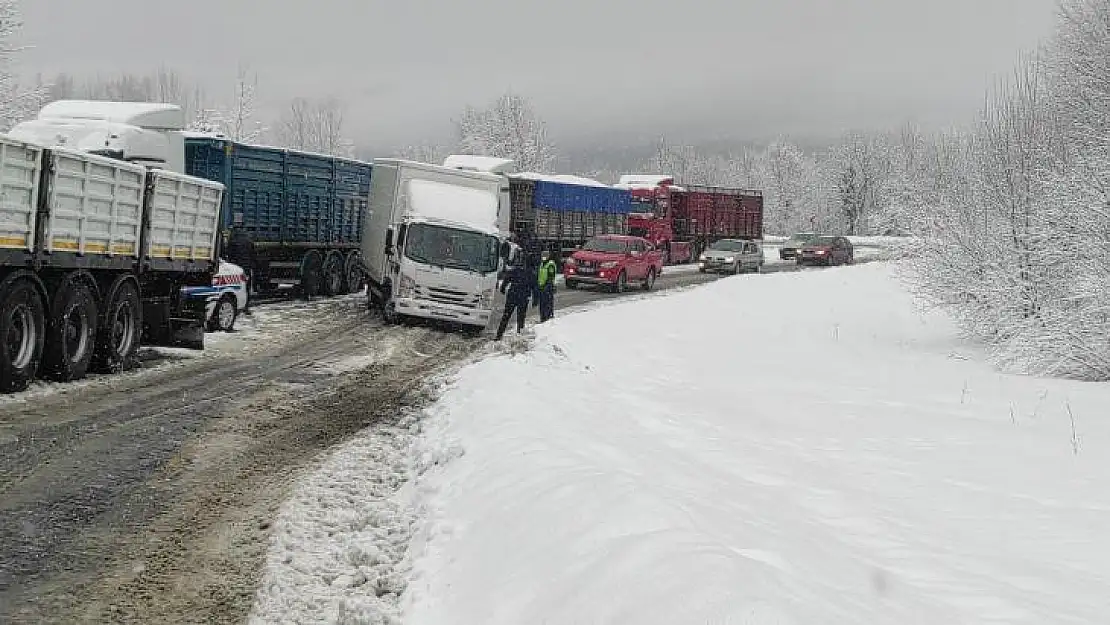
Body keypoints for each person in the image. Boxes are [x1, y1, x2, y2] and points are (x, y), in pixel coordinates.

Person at [495, 257, 533, 340]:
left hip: (513, 296)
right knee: (521, 318)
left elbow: (506, 280)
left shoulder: (514, 271)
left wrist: (503, 288)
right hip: (523, 297)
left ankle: (499, 335)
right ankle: (519, 334)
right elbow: (534, 285)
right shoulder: (529, 273)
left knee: (506, 316)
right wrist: (535, 298)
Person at [536, 250, 558, 322]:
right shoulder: (542, 264)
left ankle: (548, 318)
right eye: (543, 256)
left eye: (545, 256)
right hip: (541, 286)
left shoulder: (550, 264)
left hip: (548, 287)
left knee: (548, 303)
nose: (543, 257)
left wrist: (547, 286)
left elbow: (550, 277)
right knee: (542, 304)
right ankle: (543, 318)